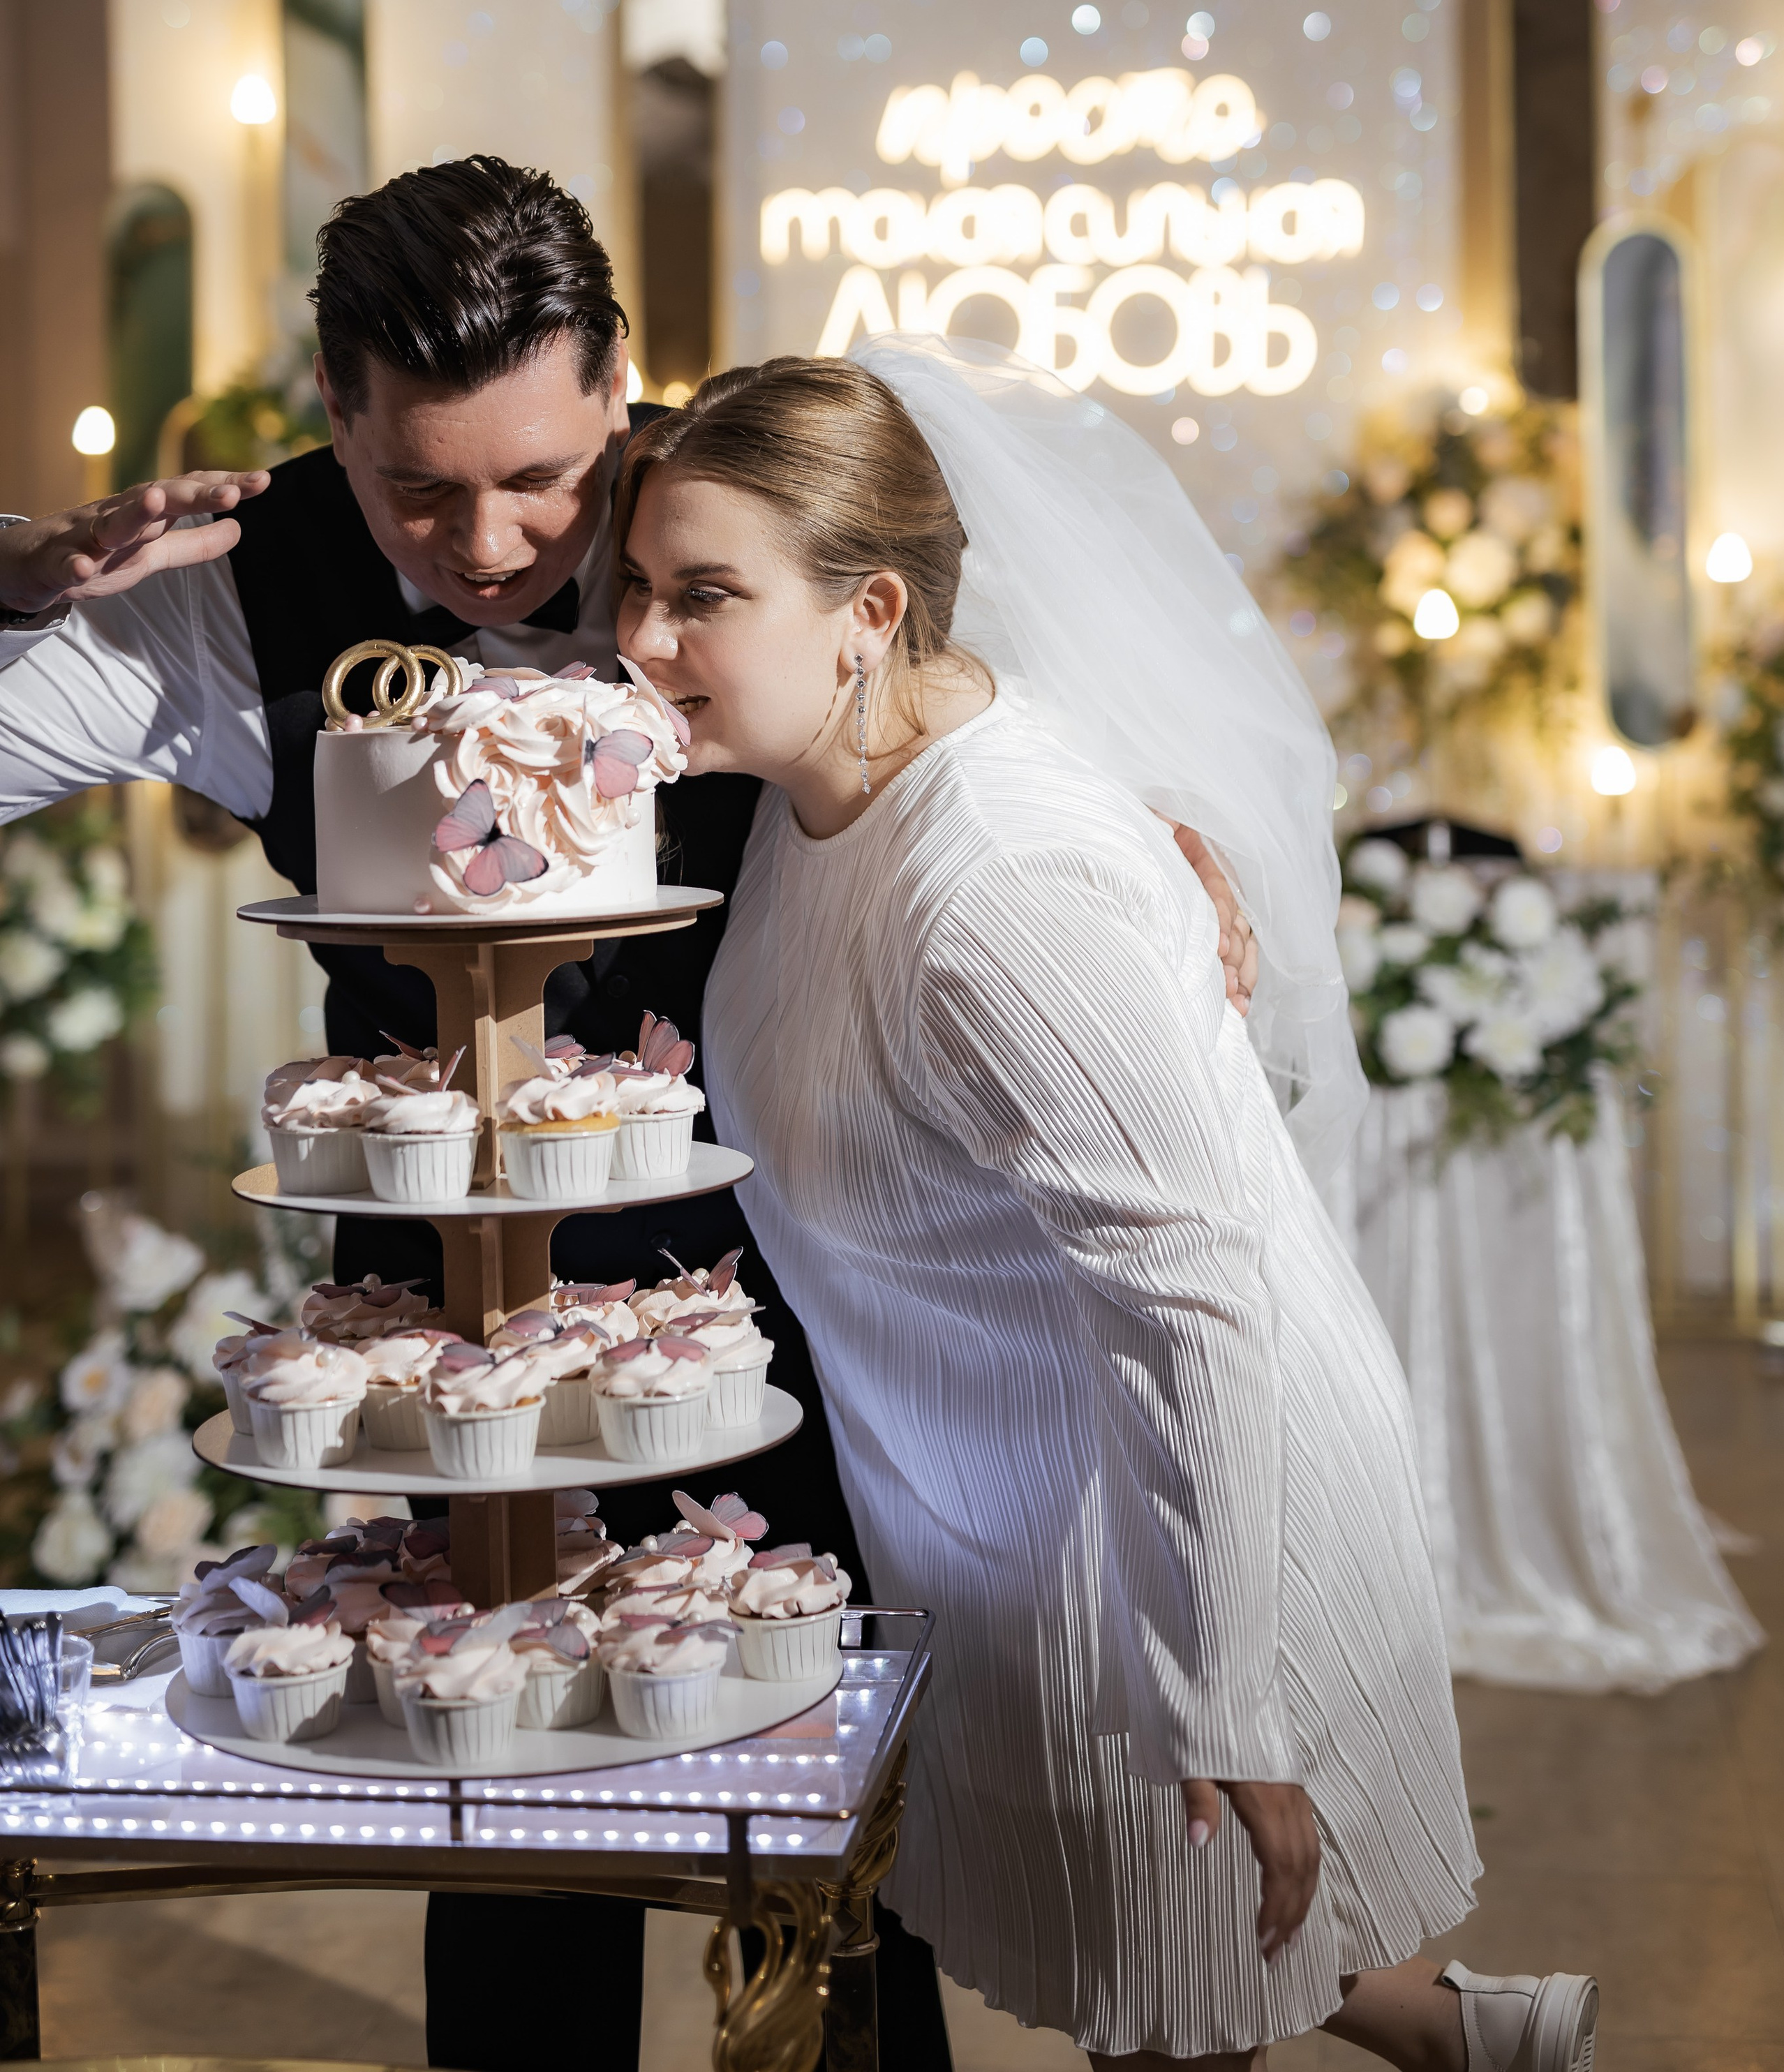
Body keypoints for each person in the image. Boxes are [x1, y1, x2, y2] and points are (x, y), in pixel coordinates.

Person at [0, 156, 1254, 2071]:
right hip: (454, 1305)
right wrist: (8, 573)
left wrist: (1153, 829)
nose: (487, 542)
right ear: (332, 409)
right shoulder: (234, 593)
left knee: (827, 1786)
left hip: (789, 1259)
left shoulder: (745, 505)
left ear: (617, 388)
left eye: (541, 477)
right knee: (504, 1795)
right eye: (417, 489)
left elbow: (975, 701)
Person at [607, 343, 1601, 2072]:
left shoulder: (1000, 880)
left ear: (869, 613)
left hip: (1161, 1531)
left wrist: (1225, 1690)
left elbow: (1191, 1295)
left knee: (1178, 2003)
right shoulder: (804, 784)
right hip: (993, 1501)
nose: (635, 639)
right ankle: (1497, 2049)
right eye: (635, 586)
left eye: (701, 596)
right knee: (1157, 1972)